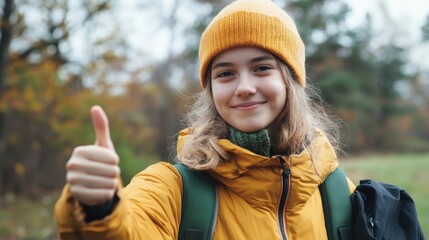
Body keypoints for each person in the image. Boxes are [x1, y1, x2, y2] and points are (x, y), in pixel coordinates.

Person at [54, 0, 356, 239]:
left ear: (290, 80)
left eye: (262, 68)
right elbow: (128, 229)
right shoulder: (175, 189)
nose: (244, 88)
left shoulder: (337, 194)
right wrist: (99, 207)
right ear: (211, 91)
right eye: (225, 73)